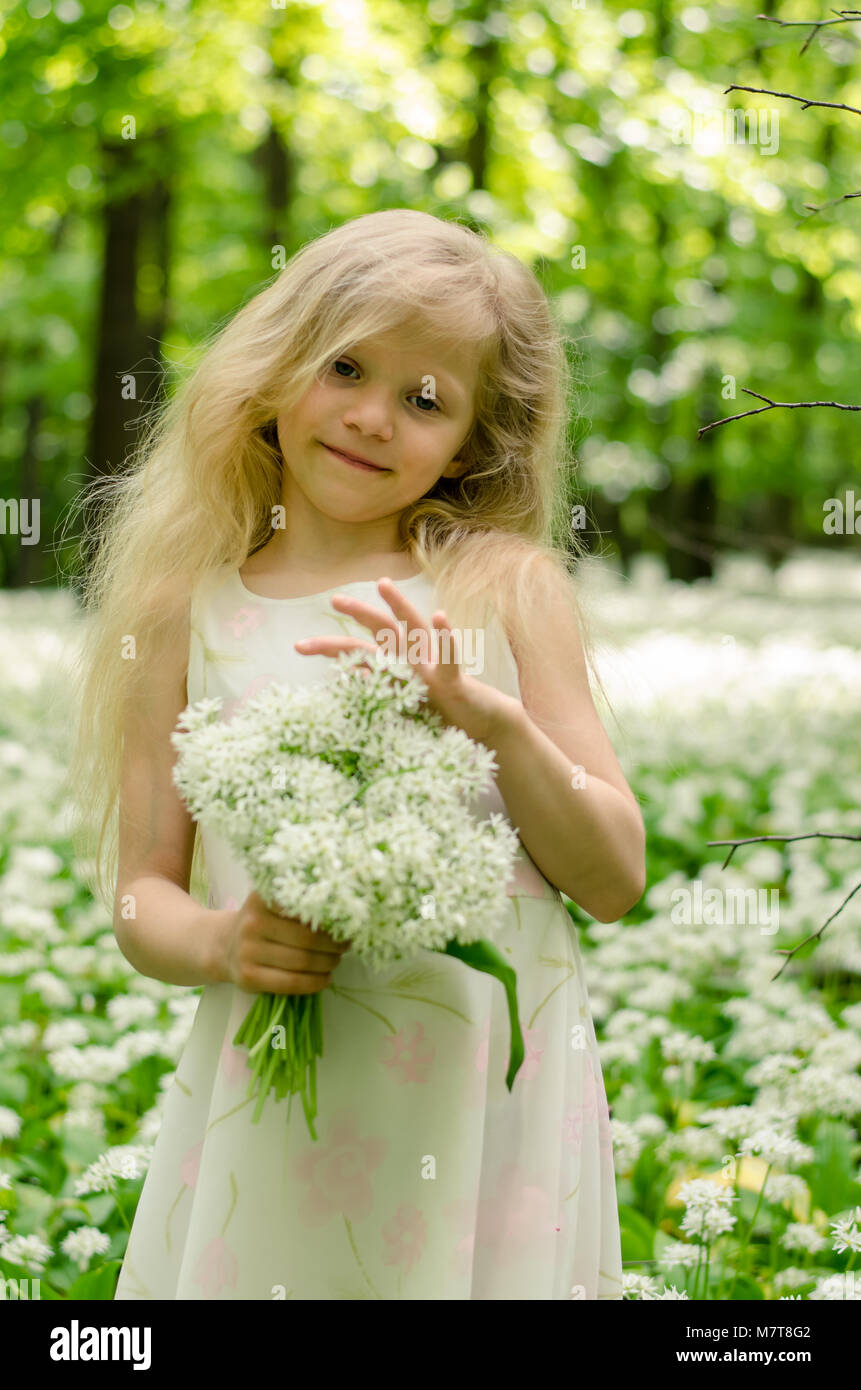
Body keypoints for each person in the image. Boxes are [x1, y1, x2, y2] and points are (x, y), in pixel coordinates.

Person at [68, 208, 645, 1300]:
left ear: (472, 443)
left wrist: (496, 724)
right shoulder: (183, 609)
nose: (374, 417)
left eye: (427, 400)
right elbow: (143, 895)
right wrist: (226, 944)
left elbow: (614, 878)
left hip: (484, 1097)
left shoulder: (505, 589)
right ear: (277, 369)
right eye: (346, 367)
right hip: (290, 1096)